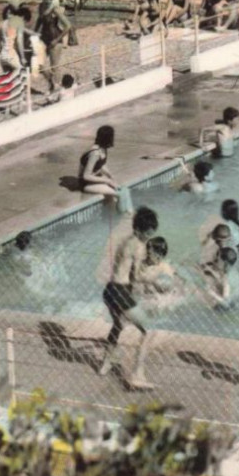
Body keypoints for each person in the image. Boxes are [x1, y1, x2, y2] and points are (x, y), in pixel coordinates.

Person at [96, 207, 162, 389]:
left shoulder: (126, 242)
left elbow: (123, 271)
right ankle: (137, 375)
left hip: (109, 290)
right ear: (138, 230)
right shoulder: (138, 247)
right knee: (149, 330)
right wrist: (157, 284)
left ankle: (106, 364)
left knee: (118, 326)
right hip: (120, 291)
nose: (147, 239)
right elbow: (136, 277)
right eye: (146, 235)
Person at [198, 224, 239, 309]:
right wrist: (210, 270)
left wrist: (211, 293)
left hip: (223, 307)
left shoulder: (226, 279)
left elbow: (226, 303)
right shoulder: (228, 265)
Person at [79, 125, 123, 203]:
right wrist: (107, 181)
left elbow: (101, 164)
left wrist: (110, 176)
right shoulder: (95, 153)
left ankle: (111, 213)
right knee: (119, 194)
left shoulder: (103, 148)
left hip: (95, 178)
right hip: (86, 184)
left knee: (120, 189)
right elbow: (86, 176)